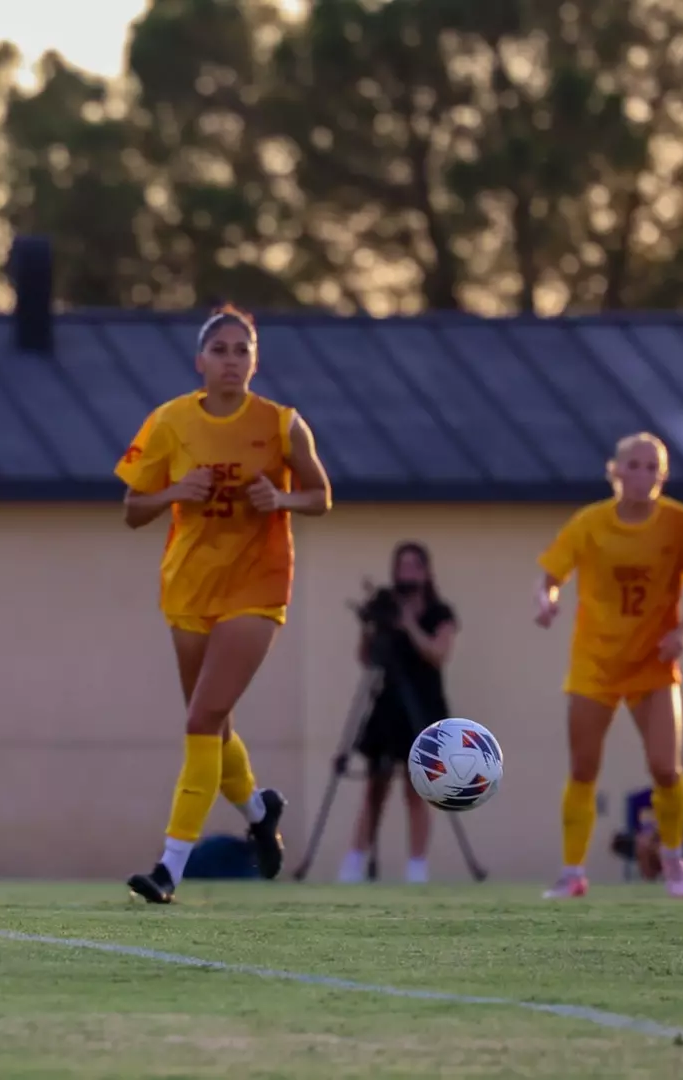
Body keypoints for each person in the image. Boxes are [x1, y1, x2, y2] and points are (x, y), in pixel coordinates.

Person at [113, 304, 334, 904]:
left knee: (200, 720)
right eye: (222, 350)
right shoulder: (170, 421)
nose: (232, 361)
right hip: (188, 586)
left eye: (243, 350)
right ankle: (260, 810)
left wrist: (281, 501)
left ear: (254, 361)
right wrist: (174, 492)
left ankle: (169, 867)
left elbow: (319, 495)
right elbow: (133, 509)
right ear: (201, 361)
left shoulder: (283, 424)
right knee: (213, 722)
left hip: (257, 585)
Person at [534, 432, 683, 900]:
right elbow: (551, 576)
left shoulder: (681, 523)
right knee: (583, 767)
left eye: (652, 466)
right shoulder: (590, 523)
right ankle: (572, 871)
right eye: (633, 465)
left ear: (663, 474)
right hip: (595, 661)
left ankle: (674, 855)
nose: (642, 475)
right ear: (614, 471)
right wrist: (546, 601)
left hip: (653, 663)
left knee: (664, 767)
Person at [340, 542, 457, 885]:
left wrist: (409, 625)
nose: (407, 573)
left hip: (423, 705)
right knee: (375, 787)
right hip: (388, 704)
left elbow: (437, 654)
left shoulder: (439, 612)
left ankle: (417, 869)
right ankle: (354, 864)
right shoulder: (387, 606)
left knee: (418, 787)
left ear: (425, 571)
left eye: (413, 566)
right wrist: (369, 624)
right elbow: (366, 659)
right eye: (401, 566)